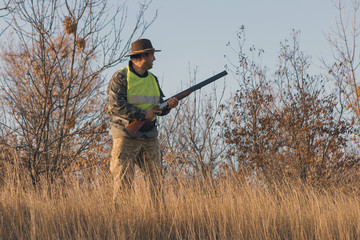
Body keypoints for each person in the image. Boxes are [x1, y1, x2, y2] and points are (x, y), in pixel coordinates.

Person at [107, 38, 178, 204]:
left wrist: (169, 106)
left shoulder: (152, 79)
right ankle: (119, 221)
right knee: (123, 182)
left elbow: (158, 107)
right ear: (143, 56)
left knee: (157, 181)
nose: (154, 58)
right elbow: (116, 105)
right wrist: (142, 114)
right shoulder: (121, 77)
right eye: (152, 54)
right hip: (126, 136)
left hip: (149, 136)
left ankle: (159, 219)